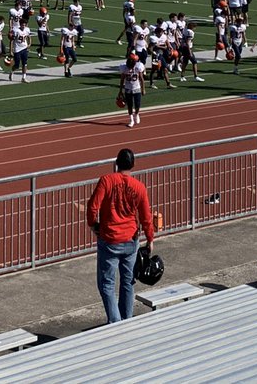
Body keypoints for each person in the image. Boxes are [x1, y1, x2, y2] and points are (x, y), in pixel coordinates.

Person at [86, 148, 155, 324]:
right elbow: (146, 216)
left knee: (107, 284)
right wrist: (150, 238)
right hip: (130, 240)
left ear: (117, 163)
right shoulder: (139, 187)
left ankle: (116, 322)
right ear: (132, 165)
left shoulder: (107, 181)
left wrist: (94, 225)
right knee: (128, 281)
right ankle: (126, 319)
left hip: (110, 240)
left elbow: (92, 207)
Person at [118, 53, 145, 127]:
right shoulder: (124, 67)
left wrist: (143, 89)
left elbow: (141, 79)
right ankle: (131, 120)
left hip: (137, 88)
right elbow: (122, 79)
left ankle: (136, 114)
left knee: (137, 105)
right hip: (128, 89)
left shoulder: (138, 66)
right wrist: (120, 91)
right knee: (129, 105)